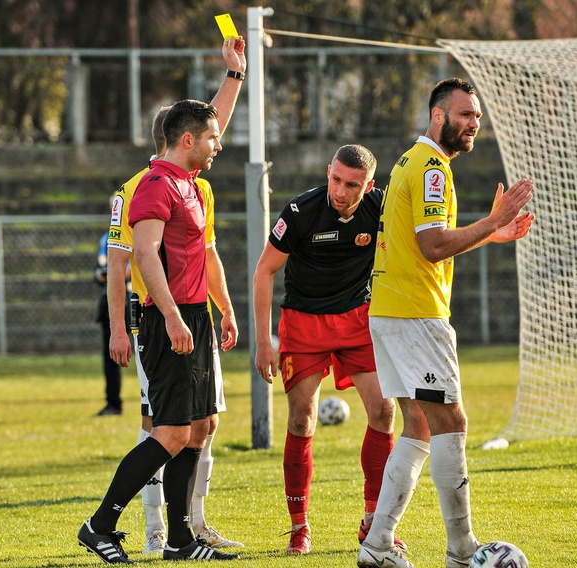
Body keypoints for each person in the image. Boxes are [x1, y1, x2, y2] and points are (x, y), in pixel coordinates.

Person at [77, 45, 245, 566]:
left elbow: (210, 122)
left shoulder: (193, 184)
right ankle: (100, 524)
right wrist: (164, 318)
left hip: (195, 315)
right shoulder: (148, 187)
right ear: (186, 140)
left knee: (197, 428)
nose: (220, 143)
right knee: (169, 430)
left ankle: (179, 541)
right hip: (164, 317)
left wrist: (235, 72)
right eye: (211, 138)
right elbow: (138, 256)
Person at [356, 78, 534, 568]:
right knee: (451, 421)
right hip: (415, 313)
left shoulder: (411, 161)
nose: (473, 123)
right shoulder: (432, 167)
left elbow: (428, 244)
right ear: (438, 116)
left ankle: (377, 545)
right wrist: (494, 221)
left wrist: (488, 235)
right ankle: (462, 550)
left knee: (418, 425)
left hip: (390, 310)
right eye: (463, 115)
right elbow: (434, 246)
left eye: (476, 116)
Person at [253, 144, 398, 555]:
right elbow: (264, 271)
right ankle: (299, 528)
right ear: (328, 172)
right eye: (335, 178)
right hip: (303, 322)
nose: (340, 190)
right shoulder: (301, 212)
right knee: (302, 420)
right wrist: (265, 341)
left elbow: (426, 241)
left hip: (358, 319)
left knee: (385, 412)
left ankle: (373, 521)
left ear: (368, 186)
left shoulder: (382, 208)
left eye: (352, 184)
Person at [94, 231, 125, 416]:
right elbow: (99, 268)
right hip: (111, 304)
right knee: (111, 357)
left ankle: (156, 405)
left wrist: (119, 272)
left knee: (149, 355)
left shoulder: (143, 228)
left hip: (139, 300)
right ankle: (113, 403)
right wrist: (99, 274)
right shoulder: (106, 237)